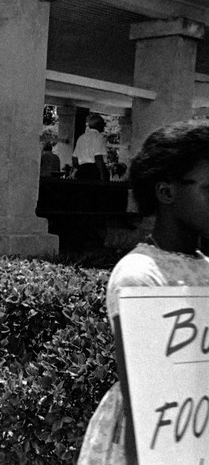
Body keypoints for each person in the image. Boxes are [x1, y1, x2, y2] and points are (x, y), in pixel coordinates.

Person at [77, 119, 209, 464]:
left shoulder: (206, 267)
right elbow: (144, 398)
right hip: (149, 444)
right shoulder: (139, 276)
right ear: (166, 193)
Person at [72, 114, 109, 181]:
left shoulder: (81, 137)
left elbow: (74, 158)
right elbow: (98, 157)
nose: (104, 126)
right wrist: (102, 175)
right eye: (103, 124)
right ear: (99, 125)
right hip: (94, 171)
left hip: (81, 171)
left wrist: (76, 171)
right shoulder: (99, 137)